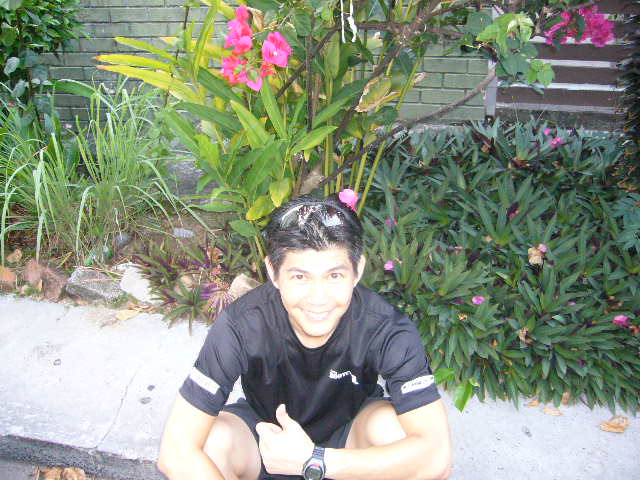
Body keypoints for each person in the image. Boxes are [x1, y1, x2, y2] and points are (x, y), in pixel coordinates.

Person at [157, 194, 452, 480]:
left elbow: (436, 460)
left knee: (393, 431)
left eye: (334, 276)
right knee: (212, 442)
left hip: (351, 434)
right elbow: (174, 453)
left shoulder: (386, 328)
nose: (318, 298)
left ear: (357, 270)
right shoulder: (242, 325)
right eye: (300, 277)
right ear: (273, 272)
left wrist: (314, 460)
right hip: (265, 436)